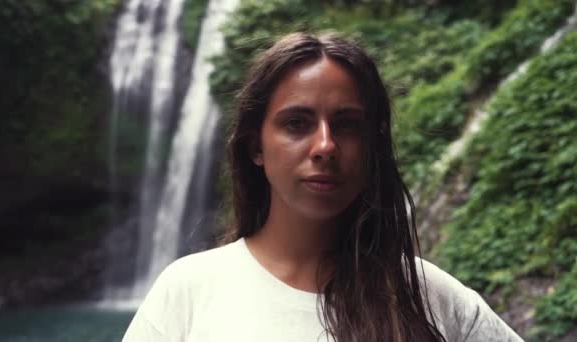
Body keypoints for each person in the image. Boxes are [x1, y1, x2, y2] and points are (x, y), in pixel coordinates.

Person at [122, 32, 523, 342]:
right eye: (297, 123)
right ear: (255, 147)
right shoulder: (189, 291)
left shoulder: (429, 297)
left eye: (347, 124)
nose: (326, 145)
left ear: (372, 146)